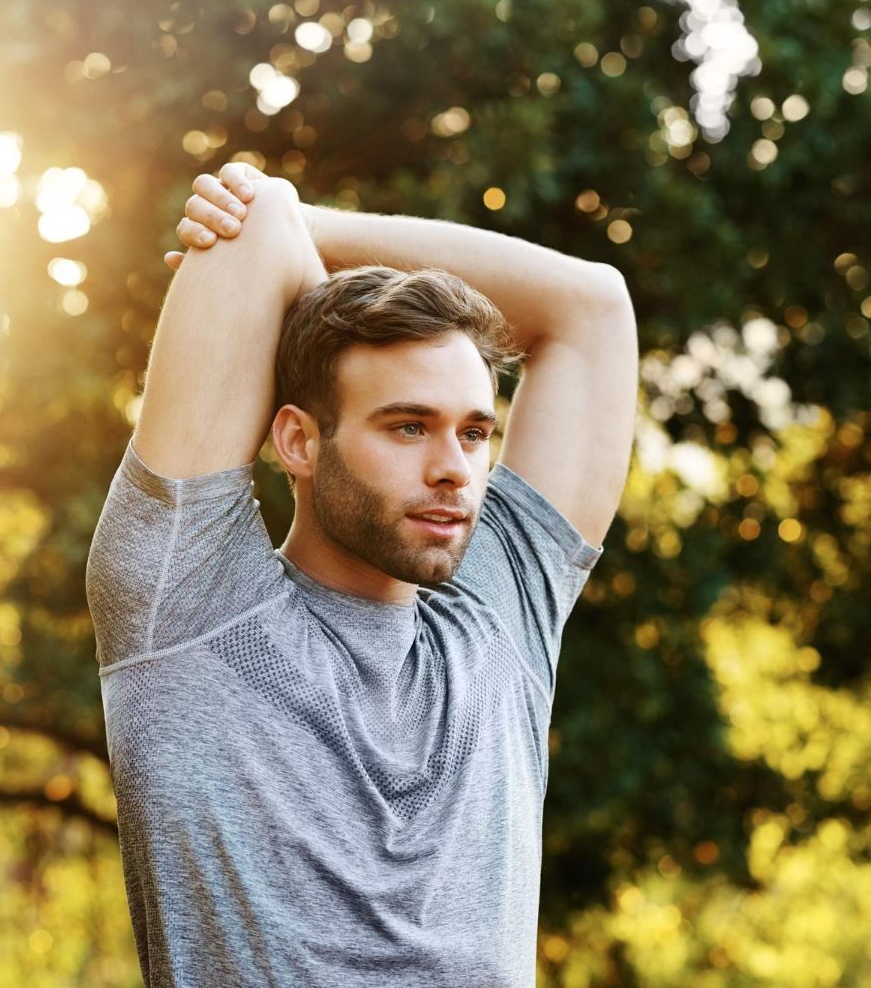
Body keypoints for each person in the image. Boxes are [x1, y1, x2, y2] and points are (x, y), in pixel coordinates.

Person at [84, 159, 638, 986]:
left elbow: (593, 306)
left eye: (475, 432)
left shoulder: (499, 624)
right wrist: (283, 222)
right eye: (408, 426)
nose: (455, 469)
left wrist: (318, 227)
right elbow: (255, 226)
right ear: (300, 442)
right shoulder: (187, 602)